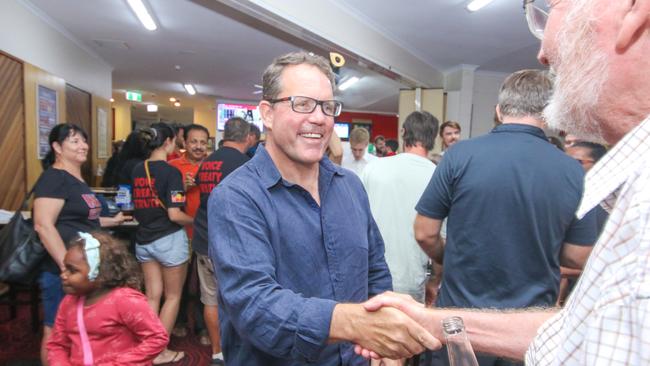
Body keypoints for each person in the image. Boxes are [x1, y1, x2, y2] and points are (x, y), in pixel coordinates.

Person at [358, 1, 650, 364]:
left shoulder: (460, 156)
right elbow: (578, 266)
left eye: (553, 5)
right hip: (524, 325)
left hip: (464, 322)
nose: (542, 52)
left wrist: (454, 257)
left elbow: (424, 232)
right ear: (545, 111)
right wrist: (537, 245)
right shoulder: (574, 171)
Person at [208, 51, 438, 365]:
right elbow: (256, 307)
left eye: (327, 106)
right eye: (302, 103)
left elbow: (375, 272)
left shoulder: (351, 186)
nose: (319, 117)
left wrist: (385, 349)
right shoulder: (236, 197)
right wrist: (358, 324)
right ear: (268, 113)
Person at [33, 123, 128, 365]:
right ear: (57, 147)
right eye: (74, 141)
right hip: (62, 271)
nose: (83, 145)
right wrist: (67, 267)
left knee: (78, 329)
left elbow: (83, 219)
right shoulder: (54, 177)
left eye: (83, 140)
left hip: (85, 270)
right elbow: (44, 225)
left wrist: (112, 220)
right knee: (56, 331)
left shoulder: (76, 178)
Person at [47, 231, 169, 365]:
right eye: (65, 269)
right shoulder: (68, 302)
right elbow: (57, 344)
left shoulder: (125, 300)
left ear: (100, 274)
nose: (63, 275)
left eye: (72, 271)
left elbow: (156, 338)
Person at [131, 122, 194, 364]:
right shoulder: (171, 172)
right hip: (168, 239)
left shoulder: (138, 169)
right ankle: (158, 351)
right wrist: (196, 220)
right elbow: (175, 214)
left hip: (144, 239)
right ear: (168, 142)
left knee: (152, 295)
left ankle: (145, 345)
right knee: (173, 297)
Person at [193, 117, 253, 365]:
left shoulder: (207, 161)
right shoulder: (244, 164)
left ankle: (217, 352)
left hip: (202, 239)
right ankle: (235, 352)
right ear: (247, 137)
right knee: (236, 299)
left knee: (210, 299)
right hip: (229, 243)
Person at [361, 111, 439, 303]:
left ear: (403, 133)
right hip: (411, 279)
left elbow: (355, 220)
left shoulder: (373, 168)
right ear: (434, 138)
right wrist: (435, 281)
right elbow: (440, 236)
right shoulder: (438, 176)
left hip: (370, 276)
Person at [168, 124, 210, 342]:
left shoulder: (213, 166)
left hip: (205, 234)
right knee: (180, 284)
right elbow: (168, 202)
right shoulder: (173, 167)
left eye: (203, 142)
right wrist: (181, 188)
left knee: (207, 285)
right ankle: (180, 321)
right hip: (181, 232)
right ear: (185, 143)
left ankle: (204, 328)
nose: (199, 146)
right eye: (194, 141)